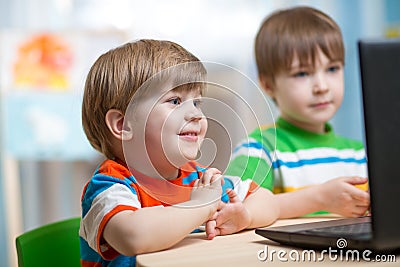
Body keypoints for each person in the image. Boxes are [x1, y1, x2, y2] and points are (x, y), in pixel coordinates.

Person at [79, 39, 279, 267]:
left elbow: (267, 200)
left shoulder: (198, 180)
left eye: (197, 102)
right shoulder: (110, 187)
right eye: (175, 101)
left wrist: (245, 216)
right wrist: (201, 206)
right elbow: (133, 236)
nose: (195, 114)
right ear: (123, 124)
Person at [226, 6, 370, 218]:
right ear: (268, 84)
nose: (322, 86)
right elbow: (238, 207)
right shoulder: (260, 149)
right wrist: (320, 198)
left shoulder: (358, 154)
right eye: (302, 73)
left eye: (332, 69)